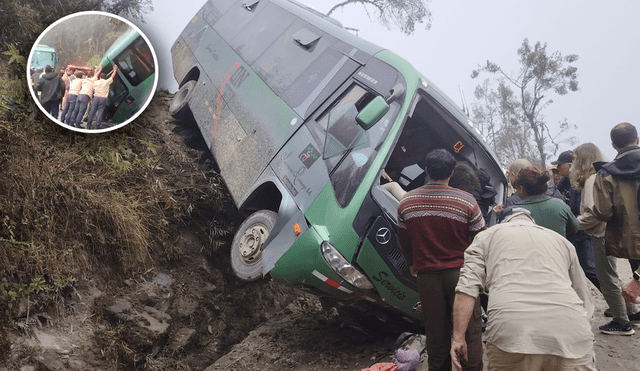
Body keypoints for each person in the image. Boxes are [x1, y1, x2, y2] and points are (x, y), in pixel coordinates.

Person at [450, 207, 596, 371]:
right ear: (533, 222)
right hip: (571, 330)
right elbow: (583, 295)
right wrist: (585, 333)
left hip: (512, 333)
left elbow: (467, 288)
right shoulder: (561, 241)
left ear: (502, 222)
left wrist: (458, 337)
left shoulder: (486, 236)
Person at [398, 148, 485, 371]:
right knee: (468, 332)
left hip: (427, 278)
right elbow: (480, 240)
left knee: (436, 335)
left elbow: (405, 240)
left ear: (426, 170)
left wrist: (412, 263)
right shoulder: (467, 202)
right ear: (452, 171)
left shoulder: (407, 203)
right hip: (461, 277)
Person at [572, 142, 640, 335]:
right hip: (606, 233)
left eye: (575, 158)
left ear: (583, 159)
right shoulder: (600, 176)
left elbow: (595, 213)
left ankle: (621, 322)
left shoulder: (593, 179)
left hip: (600, 234)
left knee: (607, 279)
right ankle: (631, 311)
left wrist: (574, 223)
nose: (573, 163)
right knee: (612, 276)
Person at [593, 123, 640, 311]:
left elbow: (604, 212)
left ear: (613, 145)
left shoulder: (605, 173)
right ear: (637, 140)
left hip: (629, 239)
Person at [553, 150, 601, 290]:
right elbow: (555, 195)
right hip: (572, 230)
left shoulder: (582, 182)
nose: (557, 168)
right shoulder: (564, 181)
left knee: (589, 267)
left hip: (583, 230)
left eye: (560, 165)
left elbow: (585, 210)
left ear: (569, 166)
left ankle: (623, 303)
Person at [513, 167, 579, 238]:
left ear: (520, 188)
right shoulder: (559, 205)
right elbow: (575, 227)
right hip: (557, 248)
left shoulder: (515, 212)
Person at [86, 64, 118, 129]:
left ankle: (89, 124)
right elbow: (112, 77)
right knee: (100, 112)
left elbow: (95, 76)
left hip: (96, 98)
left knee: (92, 111)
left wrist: (99, 69)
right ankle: (98, 126)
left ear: (100, 77)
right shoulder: (106, 82)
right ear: (105, 77)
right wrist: (115, 70)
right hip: (103, 99)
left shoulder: (95, 82)